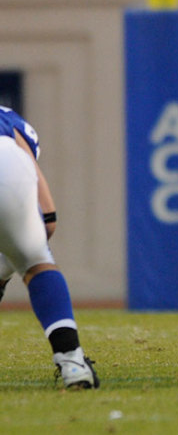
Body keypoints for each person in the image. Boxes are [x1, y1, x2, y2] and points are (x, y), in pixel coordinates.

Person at [0, 105, 97, 388]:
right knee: (37, 261)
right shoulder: (9, 120)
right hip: (9, 168)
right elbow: (48, 216)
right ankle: (72, 362)